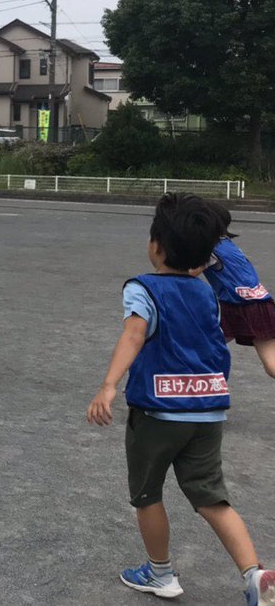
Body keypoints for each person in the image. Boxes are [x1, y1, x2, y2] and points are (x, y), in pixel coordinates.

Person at [86, 193, 275, 605]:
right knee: (211, 496)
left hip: (157, 413)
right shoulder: (206, 292)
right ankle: (254, 574)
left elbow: (134, 334)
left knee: (147, 494)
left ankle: (160, 573)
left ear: (157, 245)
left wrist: (108, 385)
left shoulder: (143, 287)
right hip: (208, 412)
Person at [204, 201, 275, 380]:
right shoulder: (226, 243)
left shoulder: (208, 249)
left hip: (238, 306)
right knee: (271, 364)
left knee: (199, 345)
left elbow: (184, 272)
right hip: (260, 304)